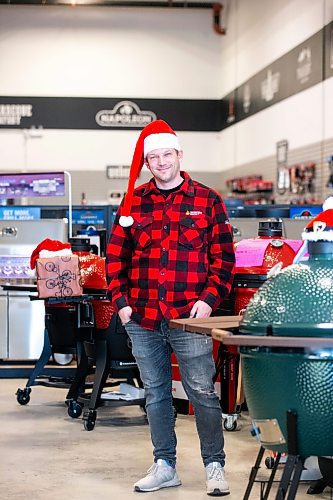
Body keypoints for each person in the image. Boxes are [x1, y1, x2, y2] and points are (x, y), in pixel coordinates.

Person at [106, 119, 235, 496]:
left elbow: (223, 259)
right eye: (154, 157)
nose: (161, 162)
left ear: (179, 155)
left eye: (167, 154)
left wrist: (208, 300)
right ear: (147, 163)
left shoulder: (207, 200)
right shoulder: (133, 202)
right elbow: (115, 258)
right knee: (156, 392)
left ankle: (215, 465)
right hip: (142, 316)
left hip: (188, 319)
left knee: (201, 391)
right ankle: (165, 465)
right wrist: (122, 305)